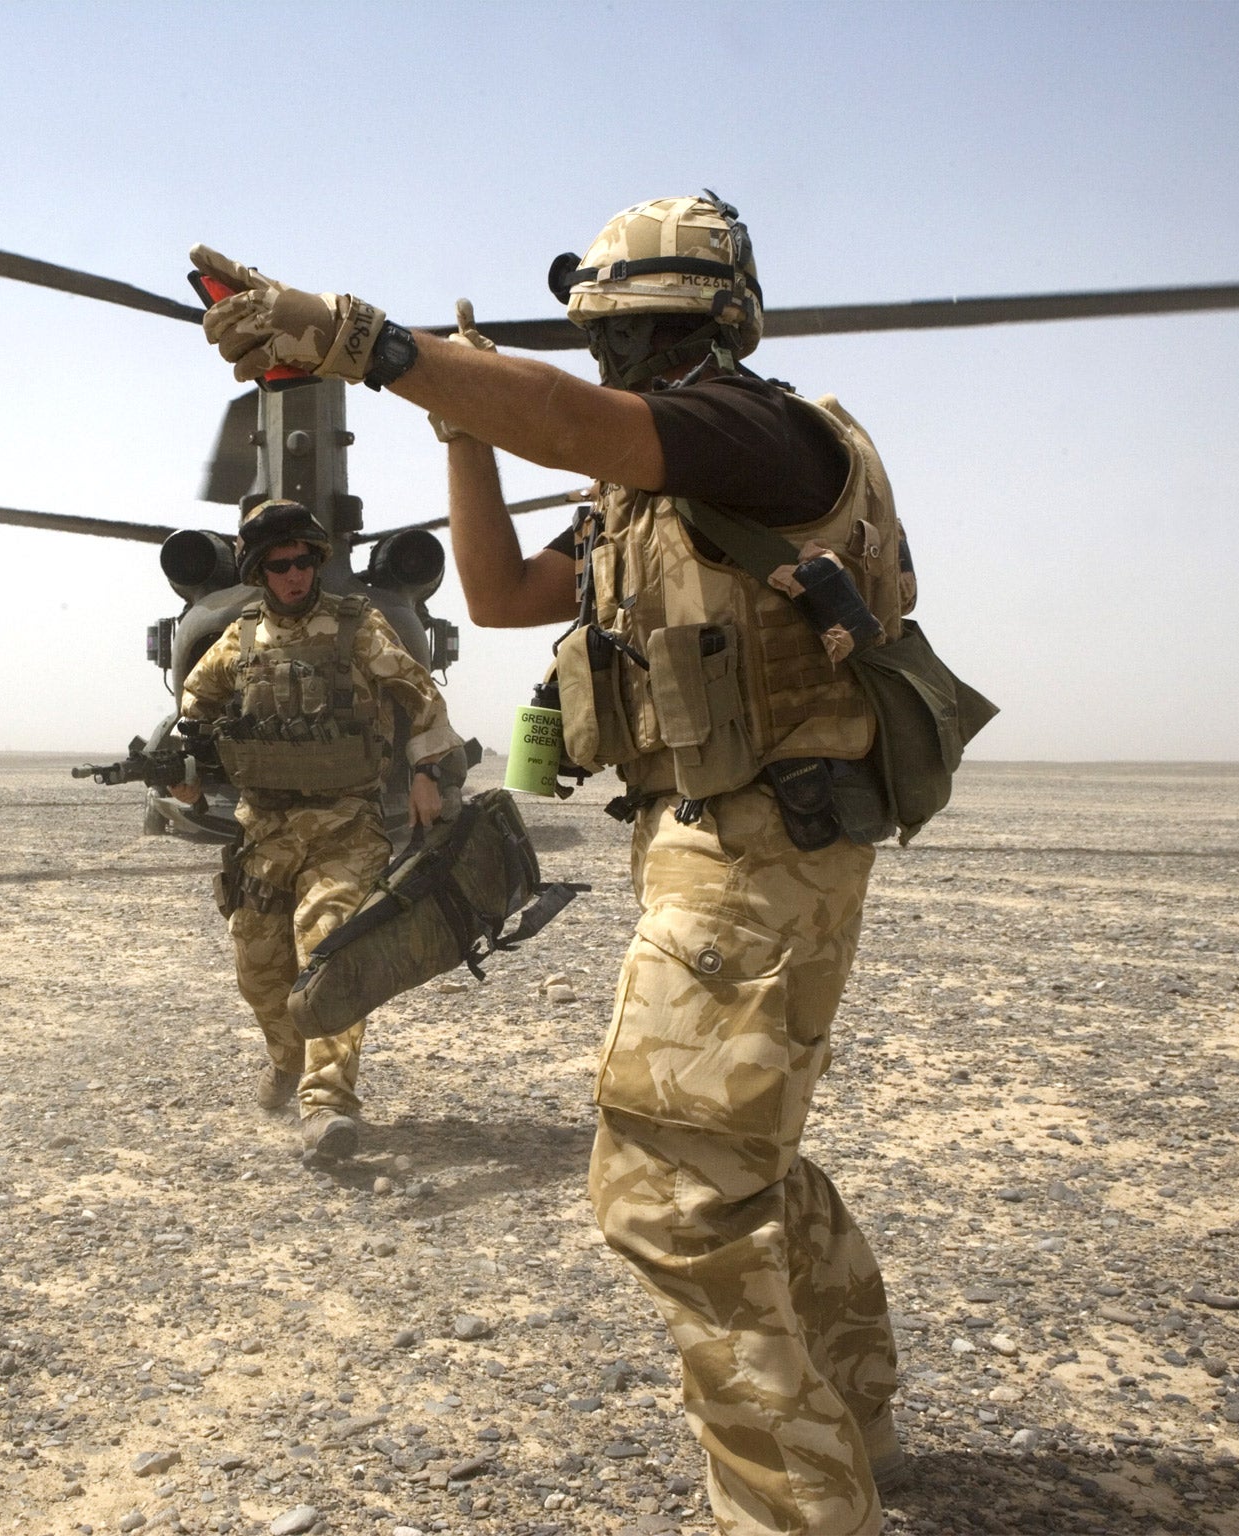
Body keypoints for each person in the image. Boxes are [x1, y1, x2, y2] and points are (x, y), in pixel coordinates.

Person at [190, 195, 912, 1535]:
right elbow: (498, 592)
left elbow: (587, 429)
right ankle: (858, 1404)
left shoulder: (759, 436)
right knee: (739, 1157)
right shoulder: (661, 490)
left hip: (763, 845)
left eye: (636, 335)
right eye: (606, 339)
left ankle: (799, 1509)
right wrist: (461, 433)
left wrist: (362, 342)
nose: (615, 362)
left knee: (672, 1192)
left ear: (710, 328)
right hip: (712, 842)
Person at [169, 499, 466, 1162]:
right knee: (258, 970)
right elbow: (191, 712)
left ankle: (327, 1104)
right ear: (257, 570)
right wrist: (184, 773)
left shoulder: (358, 629)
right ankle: (286, 1056)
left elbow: (422, 698)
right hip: (266, 832)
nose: (296, 574)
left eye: (305, 561)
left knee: (329, 950)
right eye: (280, 565)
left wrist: (426, 773)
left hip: (345, 823)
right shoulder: (239, 642)